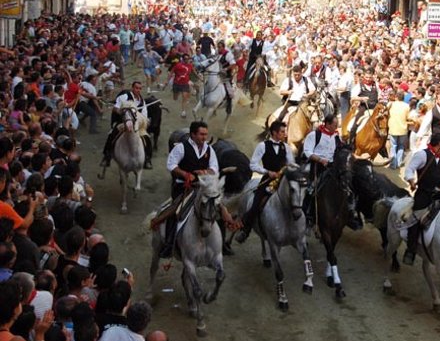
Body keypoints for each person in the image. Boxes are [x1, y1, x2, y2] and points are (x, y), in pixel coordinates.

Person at [163, 122, 237, 257]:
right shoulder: (181, 148)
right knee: (176, 211)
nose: (205, 137)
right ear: (193, 134)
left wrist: (204, 171)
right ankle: (168, 244)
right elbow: (171, 164)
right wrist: (185, 174)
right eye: (202, 134)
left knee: (218, 209)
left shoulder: (209, 149)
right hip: (183, 187)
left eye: (206, 134)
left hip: (204, 188)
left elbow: (214, 168)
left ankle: (222, 245)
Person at [235, 121, 295, 244]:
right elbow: (253, 165)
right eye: (282, 132)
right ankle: (245, 230)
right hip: (267, 180)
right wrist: (267, 172)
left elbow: (291, 164)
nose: (285, 134)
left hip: (283, 181)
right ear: (274, 132)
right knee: (256, 203)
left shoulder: (286, 147)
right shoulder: (262, 146)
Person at [302, 114, 362, 230]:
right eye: (335, 125)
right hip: (317, 166)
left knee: (348, 186)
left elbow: (341, 149)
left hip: (332, 166)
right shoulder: (314, 135)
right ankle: (308, 215)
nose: (336, 127)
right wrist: (320, 159)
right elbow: (307, 151)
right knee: (312, 189)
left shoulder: (335, 137)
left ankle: (351, 214)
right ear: (328, 124)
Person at [402, 132, 440, 265]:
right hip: (424, 194)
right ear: (439, 145)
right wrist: (411, 181)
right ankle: (411, 250)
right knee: (416, 220)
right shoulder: (422, 155)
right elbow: (410, 169)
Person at [100, 81, 153, 170]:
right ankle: (107, 156)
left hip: (137, 125)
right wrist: (122, 113)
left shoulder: (142, 101)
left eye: (140, 88)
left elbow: (144, 116)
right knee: (112, 134)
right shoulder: (125, 96)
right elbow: (115, 108)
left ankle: (147, 159)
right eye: (136, 88)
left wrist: (144, 122)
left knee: (147, 139)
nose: (138, 90)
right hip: (123, 122)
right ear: (132, 88)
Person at [348, 69, 379, 145]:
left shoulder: (376, 85)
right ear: (364, 77)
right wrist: (361, 98)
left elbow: (380, 94)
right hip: (364, 107)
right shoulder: (359, 85)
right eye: (366, 77)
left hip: (375, 107)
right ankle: (351, 141)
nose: (368, 79)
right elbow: (352, 97)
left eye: (370, 77)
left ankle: (382, 146)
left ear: (372, 77)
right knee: (356, 122)